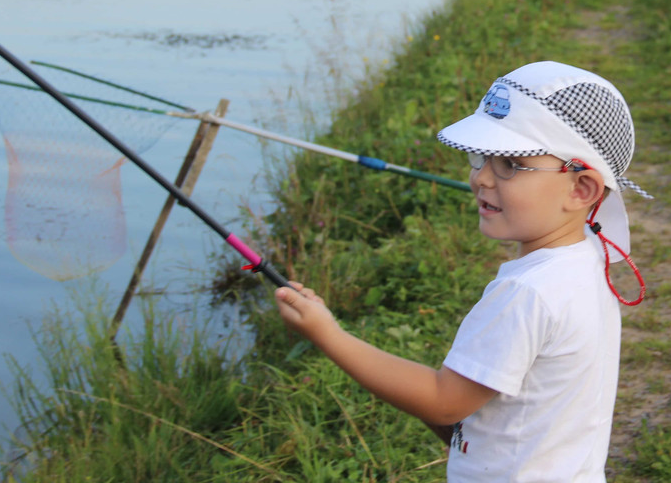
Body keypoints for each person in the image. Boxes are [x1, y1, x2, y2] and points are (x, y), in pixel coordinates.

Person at [275, 60, 651, 482]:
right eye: (481, 157)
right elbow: (481, 410)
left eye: (509, 165)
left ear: (581, 189)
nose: (480, 178)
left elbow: (444, 402)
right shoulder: (585, 260)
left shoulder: (529, 292)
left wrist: (327, 334)